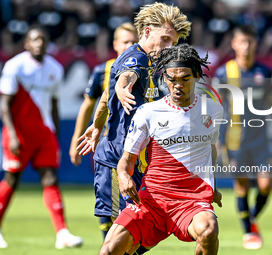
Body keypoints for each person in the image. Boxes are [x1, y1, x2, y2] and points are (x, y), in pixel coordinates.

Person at [77, 3, 191, 254]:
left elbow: (106, 94)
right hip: (118, 161)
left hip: (138, 164)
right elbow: (125, 77)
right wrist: (122, 86)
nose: (169, 47)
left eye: (173, 42)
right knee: (118, 240)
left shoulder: (153, 64)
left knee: (141, 236)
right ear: (147, 31)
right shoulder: (136, 57)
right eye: (165, 39)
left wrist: (97, 126)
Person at [95, 43, 223, 255]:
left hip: (192, 200)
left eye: (184, 78)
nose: (177, 85)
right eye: (171, 79)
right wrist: (124, 177)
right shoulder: (148, 112)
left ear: (197, 76)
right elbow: (126, 160)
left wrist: (214, 186)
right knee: (108, 250)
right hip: (152, 200)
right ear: (164, 78)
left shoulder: (211, 109)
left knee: (208, 232)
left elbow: (211, 150)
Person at [0, 26, 82, 249]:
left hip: (44, 134)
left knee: (51, 178)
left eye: (43, 39)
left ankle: (62, 233)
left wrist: (54, 136)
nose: (39, 43)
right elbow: (4, 106)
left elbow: (54, 106)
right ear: (26, 43)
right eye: (34, 39)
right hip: (19, 134)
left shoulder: (54, 68)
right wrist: (12, 136)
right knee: (12, 179)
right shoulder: (15, 66)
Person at [214, 25, 272, 250]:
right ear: (234, 44)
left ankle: (251, 218)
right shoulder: (225, 73)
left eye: (250, 42)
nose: (245, 47)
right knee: (242, 186)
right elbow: (216, 108)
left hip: (260, 139)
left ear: (256, 44)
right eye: (241, 42)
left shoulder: (265, 72)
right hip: (234, 141)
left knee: (266, 185)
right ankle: (248, 233)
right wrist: (215, 139)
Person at [69, 22, 138, 238]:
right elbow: (88, 105)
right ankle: (108, 246)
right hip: (109, 143)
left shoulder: (143, 68)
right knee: (108, 201)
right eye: (125, 41)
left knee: (132, 204)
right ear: (115, 44)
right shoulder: (103, 70)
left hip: (136, 145)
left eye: (133, 41)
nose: (130, 46)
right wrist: (75, 141)